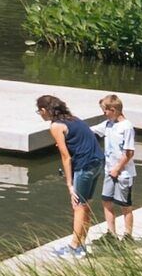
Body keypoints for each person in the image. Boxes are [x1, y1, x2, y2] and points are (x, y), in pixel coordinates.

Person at [36, 92, 104, 257]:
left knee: (78, 205)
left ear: (45, 110)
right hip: (98, 162)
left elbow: (65, 157)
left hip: (84, 166)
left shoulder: (56, 126)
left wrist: (69, 184)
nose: (40, 114)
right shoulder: (74, 119)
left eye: (39, 111)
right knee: (86, 204)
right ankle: (81, 244)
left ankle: (74, 248)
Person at [94, 93, 142, 247]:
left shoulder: (126, 127)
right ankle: (111, 233)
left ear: (113, 109)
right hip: (109, 170)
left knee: (125, 205)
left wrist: (117, 168)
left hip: (123, 173)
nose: (104, 114)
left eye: (105, 111)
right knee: (106, 201)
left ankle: (128, 235)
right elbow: (91, 130)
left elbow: (129, 152)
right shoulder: (108, 124)